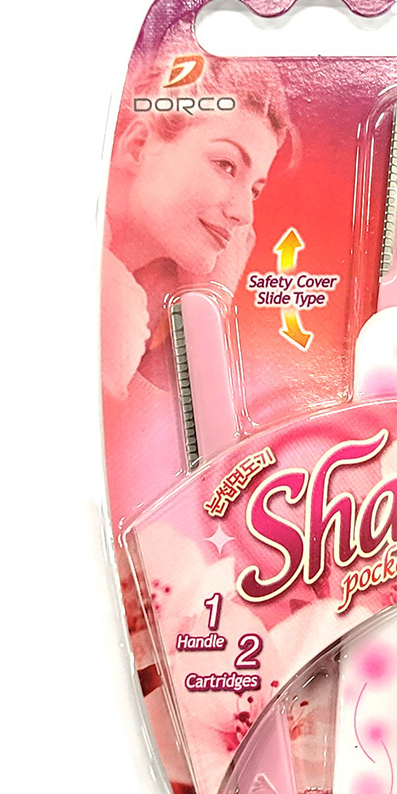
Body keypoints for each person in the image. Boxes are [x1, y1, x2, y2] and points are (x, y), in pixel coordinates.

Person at [101, 37, 294, 521]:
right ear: (139, 146)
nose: (244, 212)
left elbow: (151, 482)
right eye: (226, 165)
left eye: (256, 189)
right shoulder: (110, 303)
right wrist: (210, 300)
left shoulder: (136, 296)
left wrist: (198, 303)